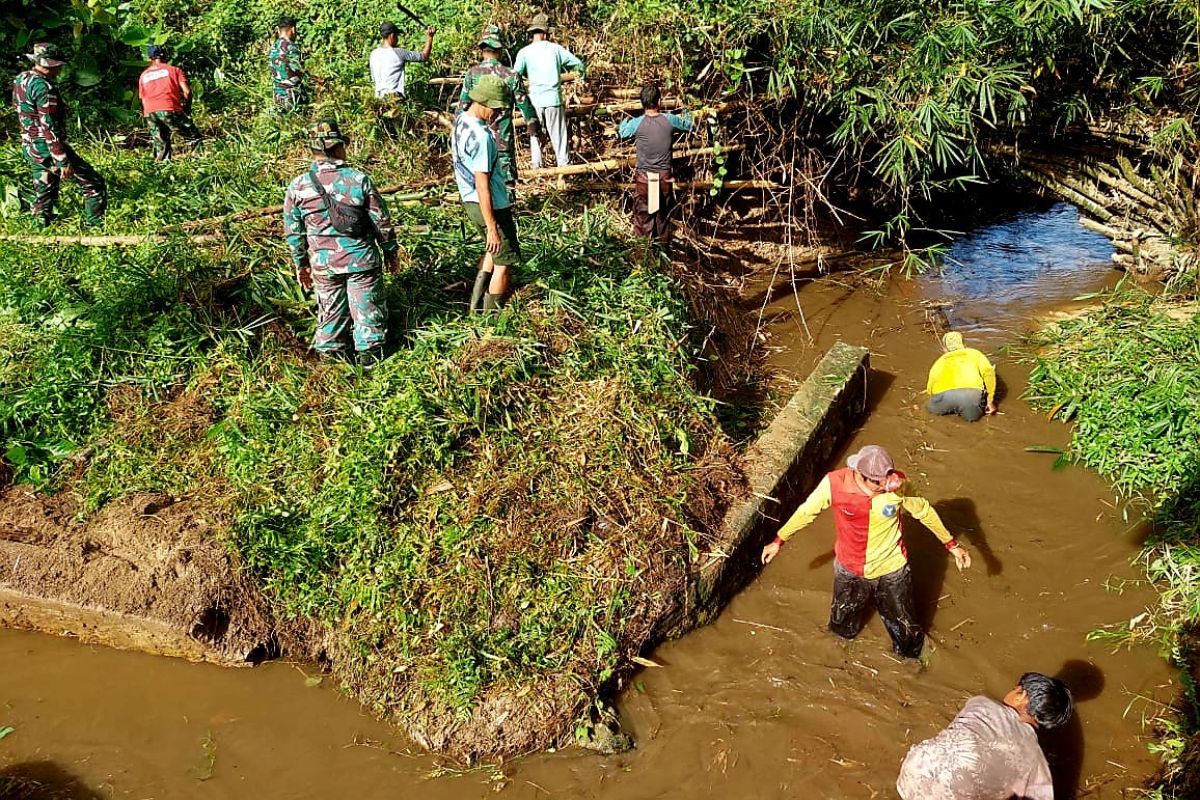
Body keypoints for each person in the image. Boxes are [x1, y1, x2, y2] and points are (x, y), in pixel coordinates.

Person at [760, 444, 971, 658]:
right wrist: (779, 540)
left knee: (907, 632)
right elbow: (806, 512)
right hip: (850, 568)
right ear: (862, 475)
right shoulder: (834, 484)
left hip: (892, 569)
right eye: (879, 481)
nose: (888, 485)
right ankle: (838, 659)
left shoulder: (899, 485)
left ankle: (915, 662)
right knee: (841, 627)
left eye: (888, 477)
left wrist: (952, 545)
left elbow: (924, 512)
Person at [283, 119, 400, 363]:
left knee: (330, 312)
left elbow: (294, 232)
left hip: (323, 265)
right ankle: (371, 360)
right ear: (338, 148)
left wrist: (301, 263)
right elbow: (382, 223)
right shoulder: (358, 180)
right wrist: (391, 252)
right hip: (361, 262)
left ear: (314, 151)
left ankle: (331, 362)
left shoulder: (298, 186)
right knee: (367, 312)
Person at [896, 673, 1074, 799]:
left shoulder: (981, 704)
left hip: (914, 770)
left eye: (1014, 689)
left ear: (1021, 695)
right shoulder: (1036, 761)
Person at [11, 42, 107, 227]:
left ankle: (39, 234)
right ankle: (95, 227)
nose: (61, 69)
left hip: (29, 144)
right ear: (52, 65)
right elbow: (48, 125)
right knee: (93, 183)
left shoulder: (21, 79)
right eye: (59, 65)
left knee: (44, 192)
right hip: (46, 146)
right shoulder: (43, 88)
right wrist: (61, 159)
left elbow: (19, 109)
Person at [452, 75, 522, 313]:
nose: (498, 113)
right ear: (482, 102)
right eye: (495, 108)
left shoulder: (461, 121)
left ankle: (474, 307)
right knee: (505, 262)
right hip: (488, 204)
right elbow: (482, 184)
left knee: (492, 251)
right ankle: (491, 318)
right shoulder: (482, 138)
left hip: (469, 200)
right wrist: (492, 226)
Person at [459, 30, 541, 189]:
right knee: (506, 180)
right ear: (500, 50)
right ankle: (508, 208)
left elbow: (463, 107)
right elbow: (525, 106)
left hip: (476, 138)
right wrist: (534, 129)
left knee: (480, 178)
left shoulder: (472, 74)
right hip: (502, 139)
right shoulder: (510, 75)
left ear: (483, 50)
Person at [617, 85, 693, 245]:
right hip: (664, 179)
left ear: (642, 103)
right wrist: (685, 107)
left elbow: (622, 132)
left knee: (643, 220)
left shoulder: (637, 123)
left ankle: (643, 259)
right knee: (663, 220)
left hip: (644, 180)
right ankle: (662, 258)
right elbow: (688, 124)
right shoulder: (669, 120)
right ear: (659, 101)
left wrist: (624, 118)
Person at [513, 13, 584, 169]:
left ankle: (537, 168)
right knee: (559, 137)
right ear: (545, 33)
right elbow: (578, 65)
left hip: (535, 101)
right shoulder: (555, 49)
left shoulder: (524, 52)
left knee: (535, 136)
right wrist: (578, 78)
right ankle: (563, 169)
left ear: (533, 33)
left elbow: (514, 76)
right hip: (553, 100)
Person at [137, 45, 201, 162]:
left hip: (150, 112)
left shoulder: (143, 76)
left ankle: (162, 169)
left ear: (150, 58)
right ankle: (200, 163)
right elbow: (187, 91)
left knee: (161, 143)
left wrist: (148, 115)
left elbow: (143, 99)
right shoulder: (174, 70)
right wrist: (186, 108)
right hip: (169, 108)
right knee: (193, 136)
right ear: (165, 55)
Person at [927, 331, 998, 422]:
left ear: (945, 348)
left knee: (930, 411)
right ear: (963, 343)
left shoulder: (939, 361)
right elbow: (989, 374)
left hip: (943, 397)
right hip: (969, 396)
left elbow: (930, 388)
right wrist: (990, 400)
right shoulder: (976, 354)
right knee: (973, 420)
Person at [369, 21, 436, 99]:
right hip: (394, 97)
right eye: (397, 36)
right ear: (392, 35)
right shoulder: (398, 53)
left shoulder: (373, 54)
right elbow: (424, 56)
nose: (397, 40)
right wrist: (430, 37)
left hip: (378, 99)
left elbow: (373, 79)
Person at [269, 15, 306, 112]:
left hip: (278, 98)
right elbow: (300, 72)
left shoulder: (273, 47)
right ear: (293, 30)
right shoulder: (290, 47)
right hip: (292, 98)